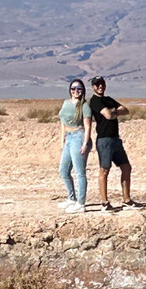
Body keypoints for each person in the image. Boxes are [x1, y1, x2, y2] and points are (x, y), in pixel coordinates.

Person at [88, 76, 142, 213]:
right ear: (93, 87)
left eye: (102, 84)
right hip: (104, 139)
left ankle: (127, 199)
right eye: (97, 84)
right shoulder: (94, 101)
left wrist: (114, 112)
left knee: (126, 167)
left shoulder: (109, 99)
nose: (100, 87)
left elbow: (126, 110)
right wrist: (114, 112)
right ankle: (104, 202)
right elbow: (107, 115)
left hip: (115, 139)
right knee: (104, 170)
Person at [58, 79, 93, 213]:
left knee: (80, 172)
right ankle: (71, 198)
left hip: (79, 137)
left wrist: (85, 143)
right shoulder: (66, 103)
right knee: (63, 170)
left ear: (83, 90)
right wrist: (62, 140)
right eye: (73, 88)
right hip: (68, 138)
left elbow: (88, 126)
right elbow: (62, 123)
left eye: (79, 89)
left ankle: (81, 203)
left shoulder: (84, 106)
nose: (76, 91)